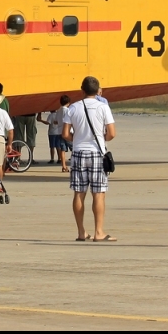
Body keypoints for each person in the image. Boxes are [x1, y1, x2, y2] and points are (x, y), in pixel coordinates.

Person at [63, 76, 116, 241]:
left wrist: (78, 139)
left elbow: (65, 134)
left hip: (78, 152)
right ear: (98, 90)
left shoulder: (73, 108)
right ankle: (99, 232)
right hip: (96, 153)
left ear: (82, 90)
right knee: (98, 193)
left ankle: (81, 232)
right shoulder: (103, 107)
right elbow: (112, 133)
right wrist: (102, 139)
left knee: (79, 193)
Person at [39, 95, 71, 171]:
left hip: (60, 132)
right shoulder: (67, 110)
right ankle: (76, 164)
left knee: (62, 149)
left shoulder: (58, 111)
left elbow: (56, 121)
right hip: (67, 131)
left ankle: (64, 166)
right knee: (74, 148)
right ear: (68, 103)